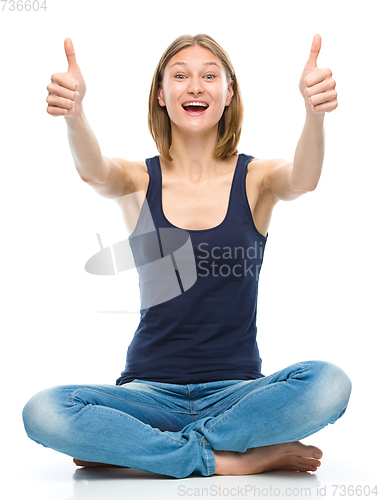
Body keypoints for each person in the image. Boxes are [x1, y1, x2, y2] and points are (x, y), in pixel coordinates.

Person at [22, 33, 352, 479]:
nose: (195, 86)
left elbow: (304, 177)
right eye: (180, 76)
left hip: (236, 394)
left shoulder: (256, 179)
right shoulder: (138, 180)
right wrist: (75, 115)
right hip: (147, 395)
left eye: (209, 76)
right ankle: (236, 458)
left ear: (228, 91)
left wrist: (315, 117)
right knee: (44, 411)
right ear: (161, 94)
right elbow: (93, 170)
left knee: (329, 384)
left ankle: (136, 450)